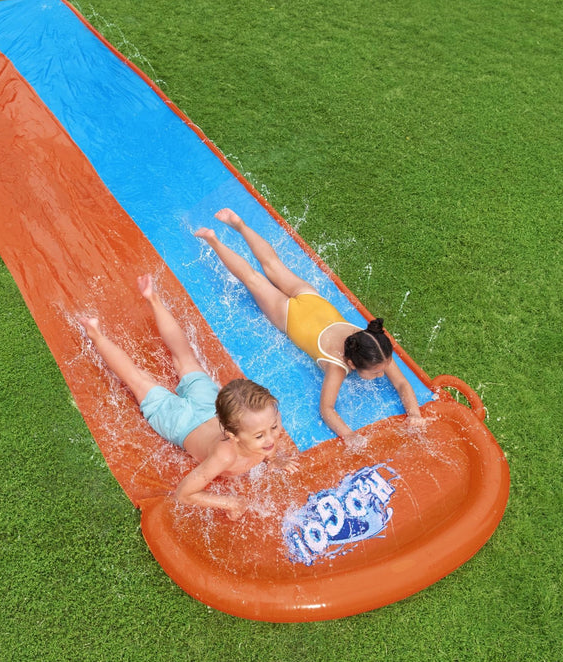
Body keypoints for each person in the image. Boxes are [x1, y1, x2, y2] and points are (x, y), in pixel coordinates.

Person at [195, 208, 425, 446]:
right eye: (377, 372)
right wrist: (349, 435)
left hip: (311, 299)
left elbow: (401, 383)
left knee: (272, 263)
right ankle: (212, 239)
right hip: (288, 316)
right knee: (252, 278)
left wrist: (415, 414)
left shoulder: (373, 344)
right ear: (352, 364)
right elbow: (327, 409)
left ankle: (239, 223)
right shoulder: (337, 368)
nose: (381, 374)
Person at [79, 274, 287, 520]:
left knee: (185, 357)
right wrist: (229, 502)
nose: (271, 437)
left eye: (274, 426)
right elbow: (184, 493)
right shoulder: (225, 454)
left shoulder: (254, 426)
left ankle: (153, 299)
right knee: (137, 380)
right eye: (261, 435)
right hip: (182, 423)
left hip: (209, 405)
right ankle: (96, 334)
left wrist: (274, 458)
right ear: (232, 435)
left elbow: (266, 440)